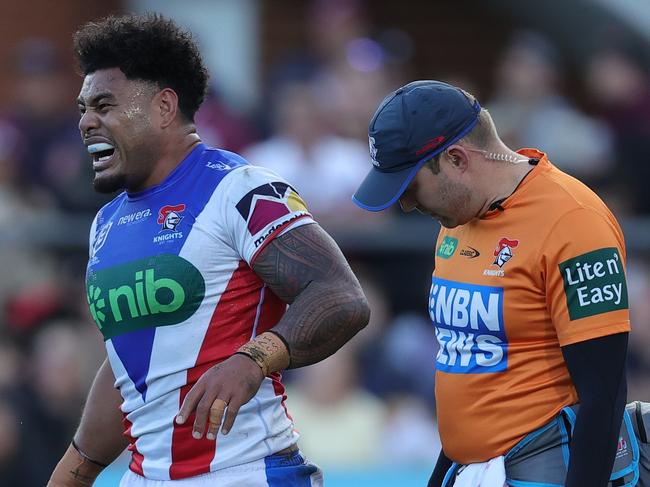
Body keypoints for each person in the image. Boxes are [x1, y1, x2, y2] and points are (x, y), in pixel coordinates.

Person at [48, 13, 370, 487]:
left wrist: (254, 359)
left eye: (103, 105)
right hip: (143, 477)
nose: (86, 122)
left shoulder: (241, 190)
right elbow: (129, 367)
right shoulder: (106, 222)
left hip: (245, 472)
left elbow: (341, 297)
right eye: (82, 109)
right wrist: (74, 475)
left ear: (163, 106)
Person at [353, 80, 630, 487]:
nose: (406, 204)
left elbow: (604, 396)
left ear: (456, 159)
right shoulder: (457, 216)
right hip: (471, 470)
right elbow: (470, 367)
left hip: (543, 469)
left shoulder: (573, 221)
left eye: (410, 187)